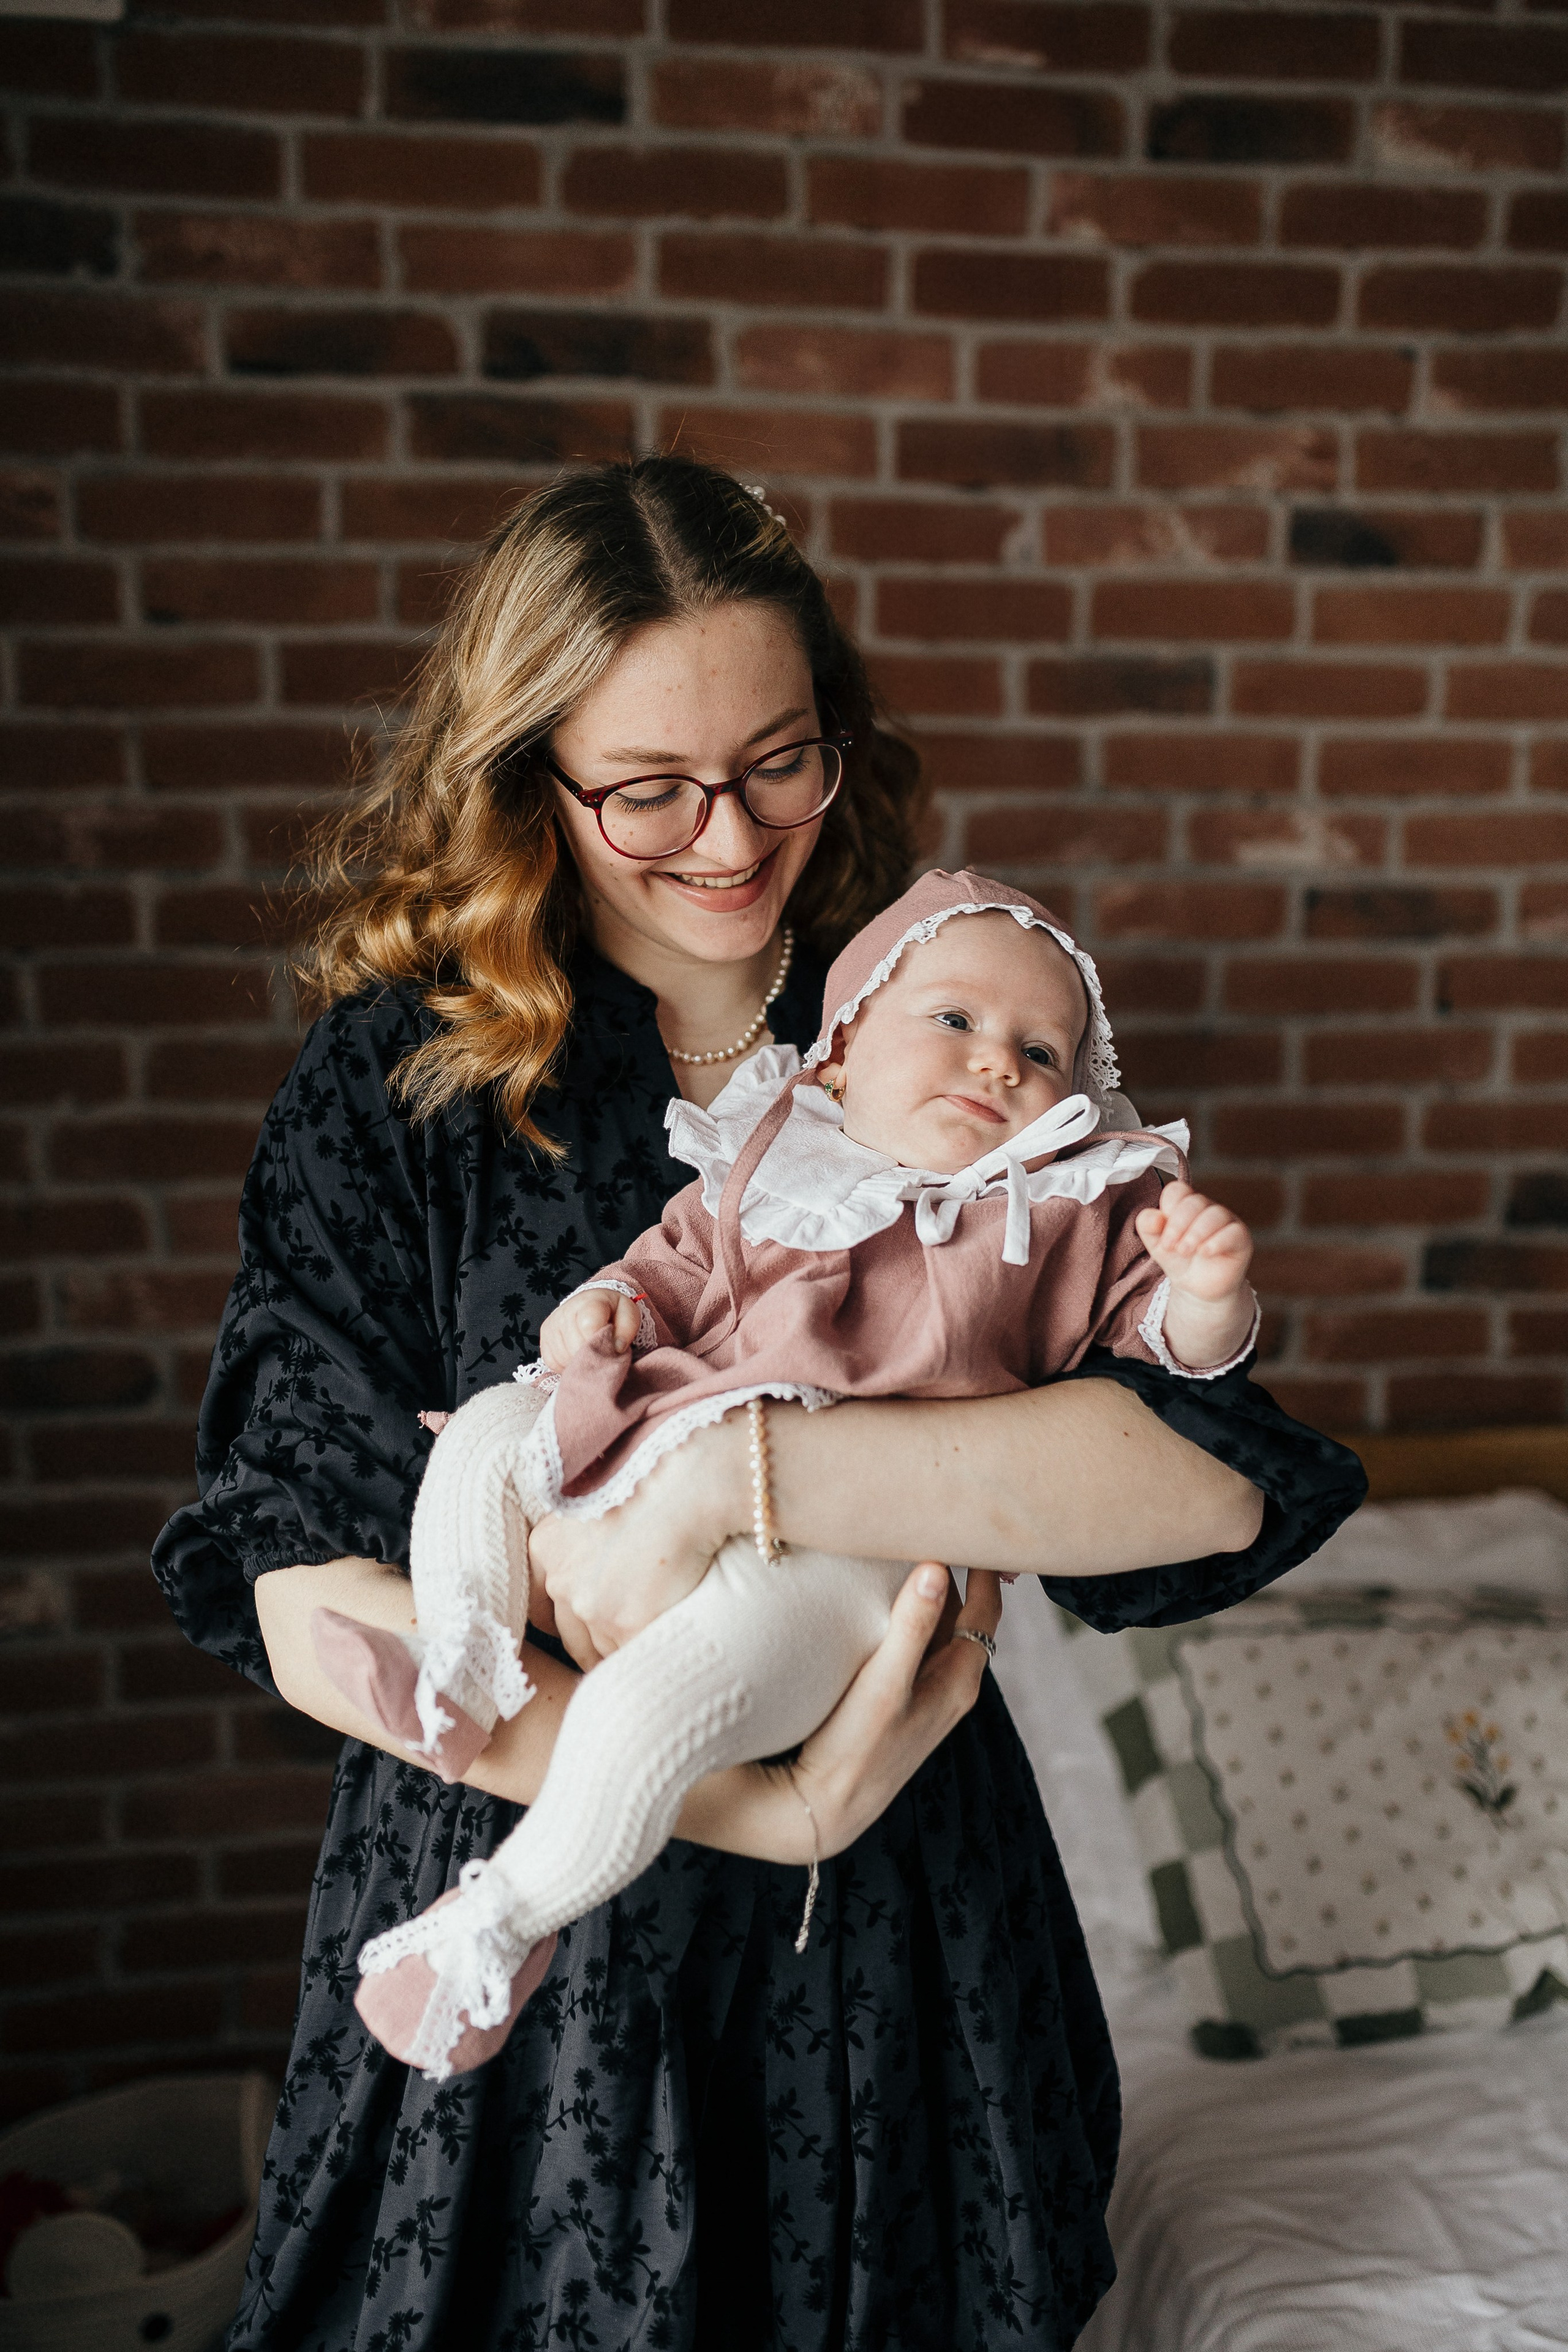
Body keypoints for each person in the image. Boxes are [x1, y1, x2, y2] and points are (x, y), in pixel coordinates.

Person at [152, 456, 1365, 2352]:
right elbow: (301, 1583)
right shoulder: (405, 1081)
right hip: (537, 1958)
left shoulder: (940, 1018)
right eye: (650, 789)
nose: (729, 839)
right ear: (529, 776)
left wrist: (740, 1474)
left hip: (897, 1953)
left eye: (779, 763)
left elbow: (1202, 1488)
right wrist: (757, 1809)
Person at [320, 869, 1263, 2084]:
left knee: (640, 1711)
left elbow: (1171, 1371)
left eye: (1041, 1052)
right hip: (663, 1427)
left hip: (845, 1553)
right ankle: (458, 1660)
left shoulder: (1070, 1211)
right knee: (490, 1432)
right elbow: (664, 1268)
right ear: (842, 1049)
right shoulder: (775, 1155)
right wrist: (597, 1309)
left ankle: (496, 1925)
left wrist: (1206, 1293)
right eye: (955, 1020)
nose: (998, 1061)